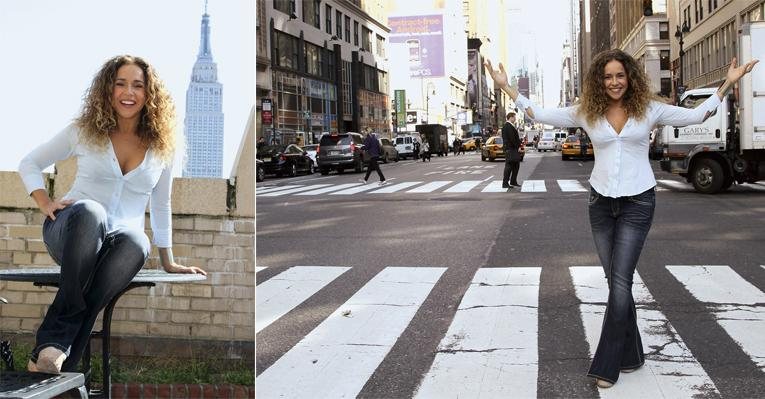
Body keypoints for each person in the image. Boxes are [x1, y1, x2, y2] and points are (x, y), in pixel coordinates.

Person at [486, 50, 758, 388]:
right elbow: (540, 113)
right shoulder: (587, 112)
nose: (614, 82)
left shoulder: (650, 109)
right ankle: (632, 356)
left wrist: (726, 86)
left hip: (638, 202)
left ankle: (608, 362)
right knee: (617, 281)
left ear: (629, 77)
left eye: (620, 75)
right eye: (608, 77)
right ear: (600, 81)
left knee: (621, 281)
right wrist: (507, 88)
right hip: (600, 203)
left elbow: (696, 116)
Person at [17, 55, 207, 374]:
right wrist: (45, 203)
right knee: (92, 210)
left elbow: (161, 203)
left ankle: (51, 356)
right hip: (73, 230)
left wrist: (168, 260)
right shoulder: (85, 130)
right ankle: (54, 349)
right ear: (108, 90)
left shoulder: (163, 146)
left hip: (118, 245)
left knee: (137, 241)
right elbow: (30, 163)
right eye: (120, 83)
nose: (128, 92)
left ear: (149, 94)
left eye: (137, 85)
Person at [501, 112, 522, 188]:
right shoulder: (508, 126)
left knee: (516, 165)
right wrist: (518, 147)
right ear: (511, 117)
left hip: (511, 149)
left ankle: (513, 181)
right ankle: (505, 183)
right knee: (509, 166)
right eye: (514, 117)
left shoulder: (510, 126)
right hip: (511, 149)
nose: (515, 119)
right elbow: (512, 138)